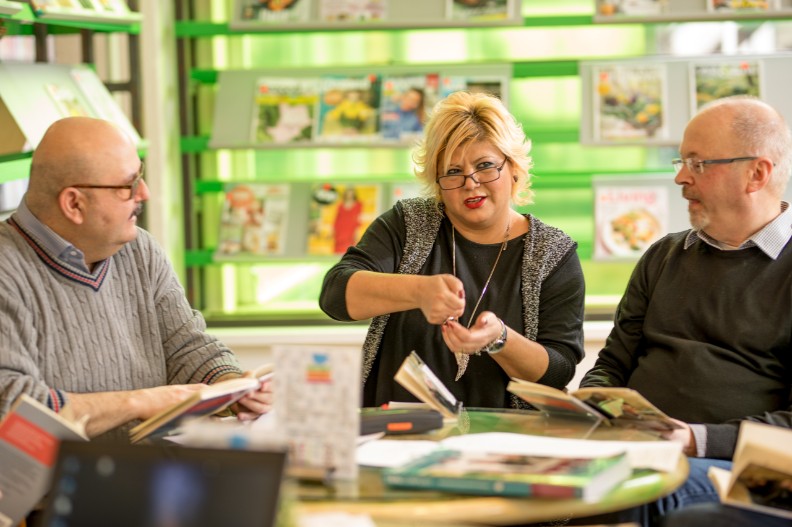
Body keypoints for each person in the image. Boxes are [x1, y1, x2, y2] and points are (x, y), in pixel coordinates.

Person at [579, 96, 792, 523]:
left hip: (756, 465)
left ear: (757, 173)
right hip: (643, 448)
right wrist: (595, 403)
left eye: (697, 164)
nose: (679, 177)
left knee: (633, 487)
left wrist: (695, 439)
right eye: (682, 161)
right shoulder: (663, 256)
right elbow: (612, 364)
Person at [0, 117, 271, 442]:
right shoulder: (7, 268)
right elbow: (13, 406)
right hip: (55, 486)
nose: (145, 193)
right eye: (128, 186)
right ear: (74, 203)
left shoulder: (140, 249)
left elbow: (185, 348)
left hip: (146, 469)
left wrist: (232, 385)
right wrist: (139, 401)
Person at [320, 90, 585, 409]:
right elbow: (334, 295)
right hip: (395, 436)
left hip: (502, 441)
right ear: (437, 180)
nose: (471, 183)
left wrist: (500, 339)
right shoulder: (408, 224)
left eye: (485, 166)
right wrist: (418, 291)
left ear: (513, 167)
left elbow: (558, 371)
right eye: (453, 172)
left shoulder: (552, 253)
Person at [333, 186, 363, 254]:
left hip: (351, 229)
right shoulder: (340, 205)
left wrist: (357, 230)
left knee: (351, 248)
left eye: (351, 193)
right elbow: (337, 219)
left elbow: (359, 218)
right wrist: (334, 230)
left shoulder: (358, 204)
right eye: (348, 193)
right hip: (340, 230)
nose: (350, 195)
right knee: (338, 248)